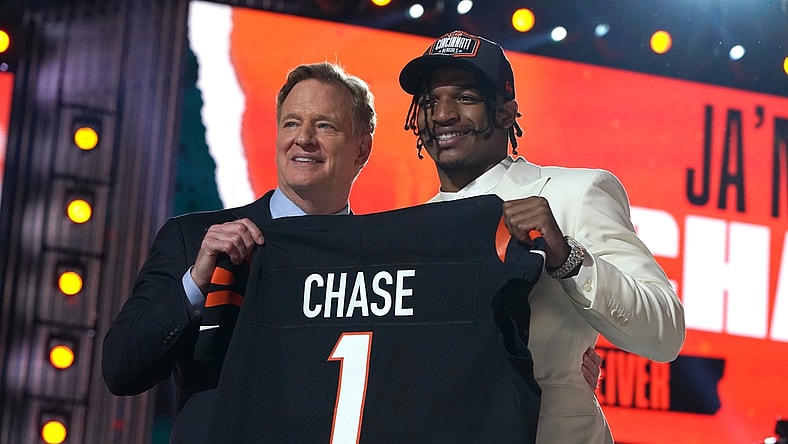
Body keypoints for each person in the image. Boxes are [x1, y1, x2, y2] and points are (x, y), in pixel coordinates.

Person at [398, 30, 685, 443]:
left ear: (505, 112)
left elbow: (666, 330)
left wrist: (567, 259)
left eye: (465, 97)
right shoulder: (406, 230)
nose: (442, 114)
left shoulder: (574, 193)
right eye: (429, 101)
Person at [101, 61, 375, 443]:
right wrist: (196, 283)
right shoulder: (193, 239)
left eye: (325, 125)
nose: (304, 139)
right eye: (292, 123)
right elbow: (121, 369)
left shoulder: (380, 261)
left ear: (362, 148)